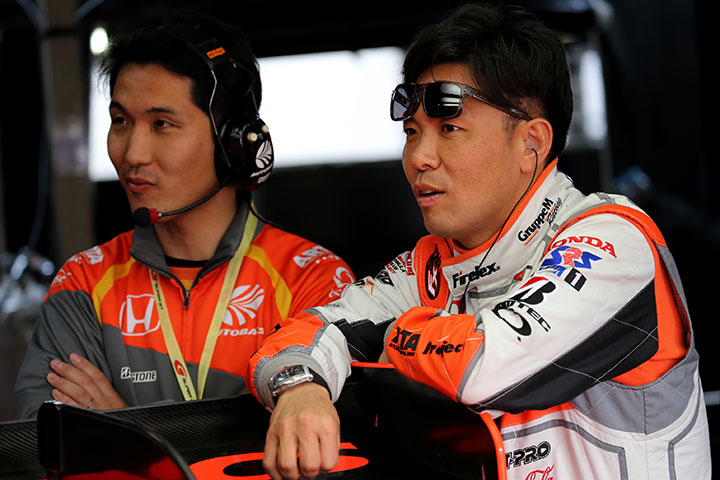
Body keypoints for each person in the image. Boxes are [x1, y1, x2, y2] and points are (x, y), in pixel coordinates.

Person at [246, 4, 712, 480]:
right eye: (411, 133)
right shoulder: (427, 269)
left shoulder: (613, 242)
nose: (419, 157)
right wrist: (300, 387)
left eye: (450, 130)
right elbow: (303, 333)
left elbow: (488, 367)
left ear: (531, 144)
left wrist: (390, 336)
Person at [13, 11, 355, 419]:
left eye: (162, 124)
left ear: (234, 144)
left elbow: (320, 445)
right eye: (120, 121)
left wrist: (126, 427)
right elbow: (48, 440)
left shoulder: (314, 281)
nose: (133, 154)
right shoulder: (82, 284)